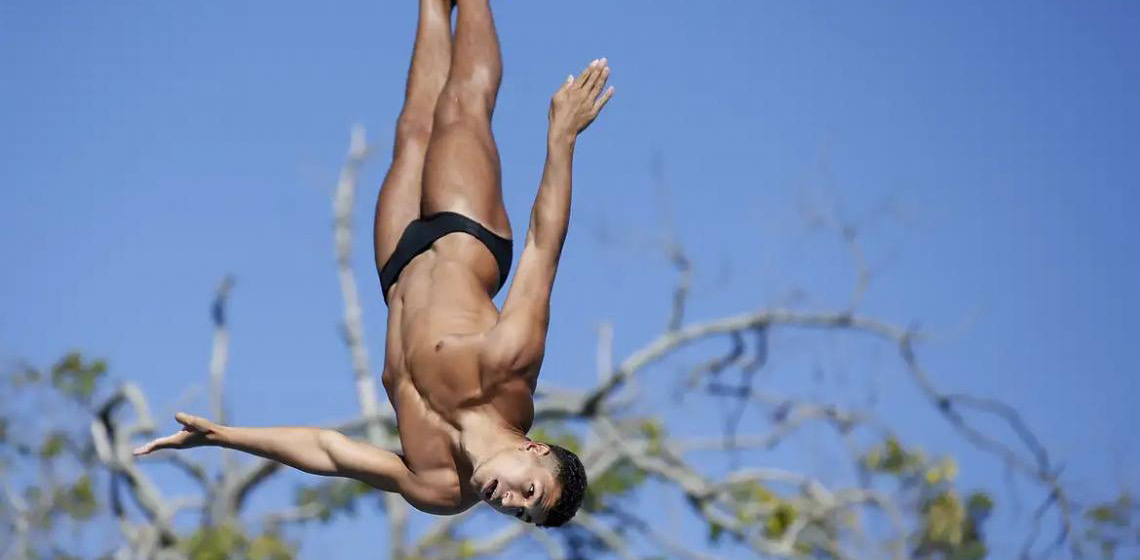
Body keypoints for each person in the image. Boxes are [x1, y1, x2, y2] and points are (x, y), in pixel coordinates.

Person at [133, 0, 614, 528]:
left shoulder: (437, 487)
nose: (512, 502)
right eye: (531, 491)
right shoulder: (509, 366)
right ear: (534, 450)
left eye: (525, 513)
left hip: (398, 264)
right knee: (462, 105)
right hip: (464, 230)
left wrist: (226, 437)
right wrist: (561, 139)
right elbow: (544, 244)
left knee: (413, 127)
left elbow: (332, 453)